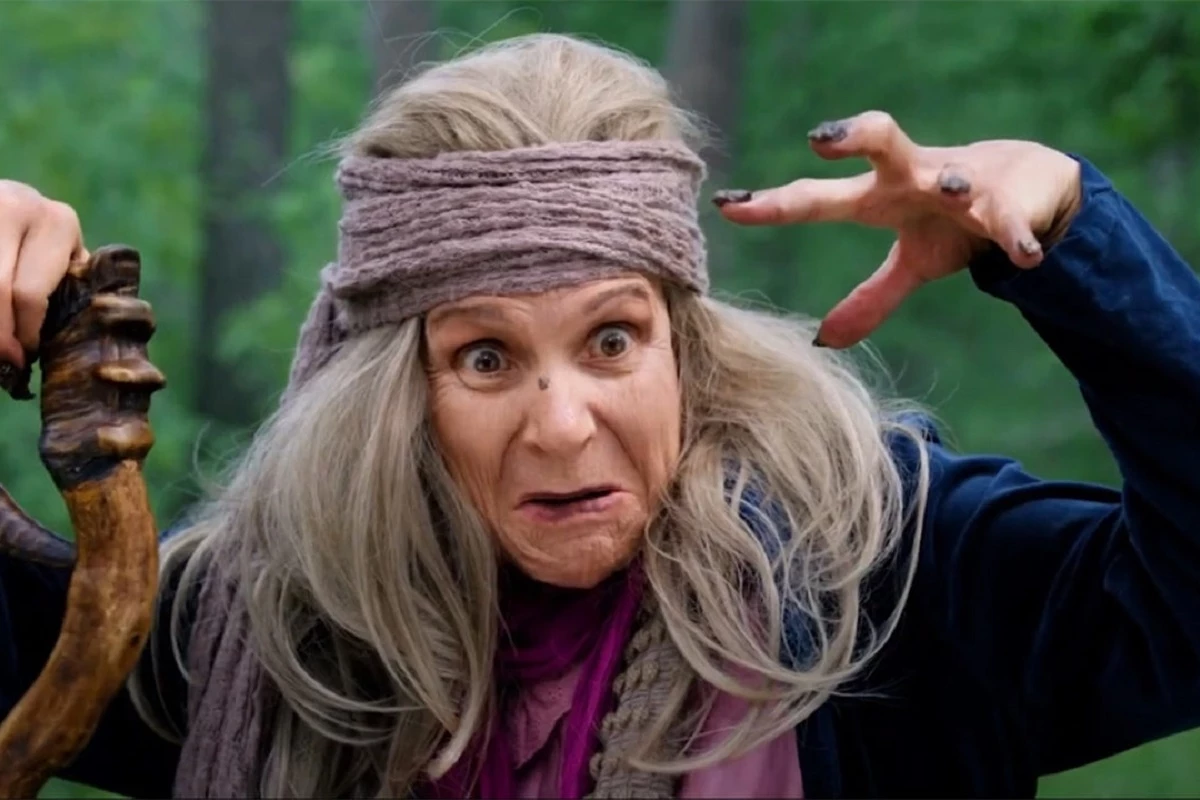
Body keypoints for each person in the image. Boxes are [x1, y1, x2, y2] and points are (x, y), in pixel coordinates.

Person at [2, 32, 1199, 799]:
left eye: (611, 339)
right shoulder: (279, 625)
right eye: (484, 357)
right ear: (399, 393)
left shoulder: (882, 572)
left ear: (685, 344)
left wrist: (1076, 245)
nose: (564, 425)